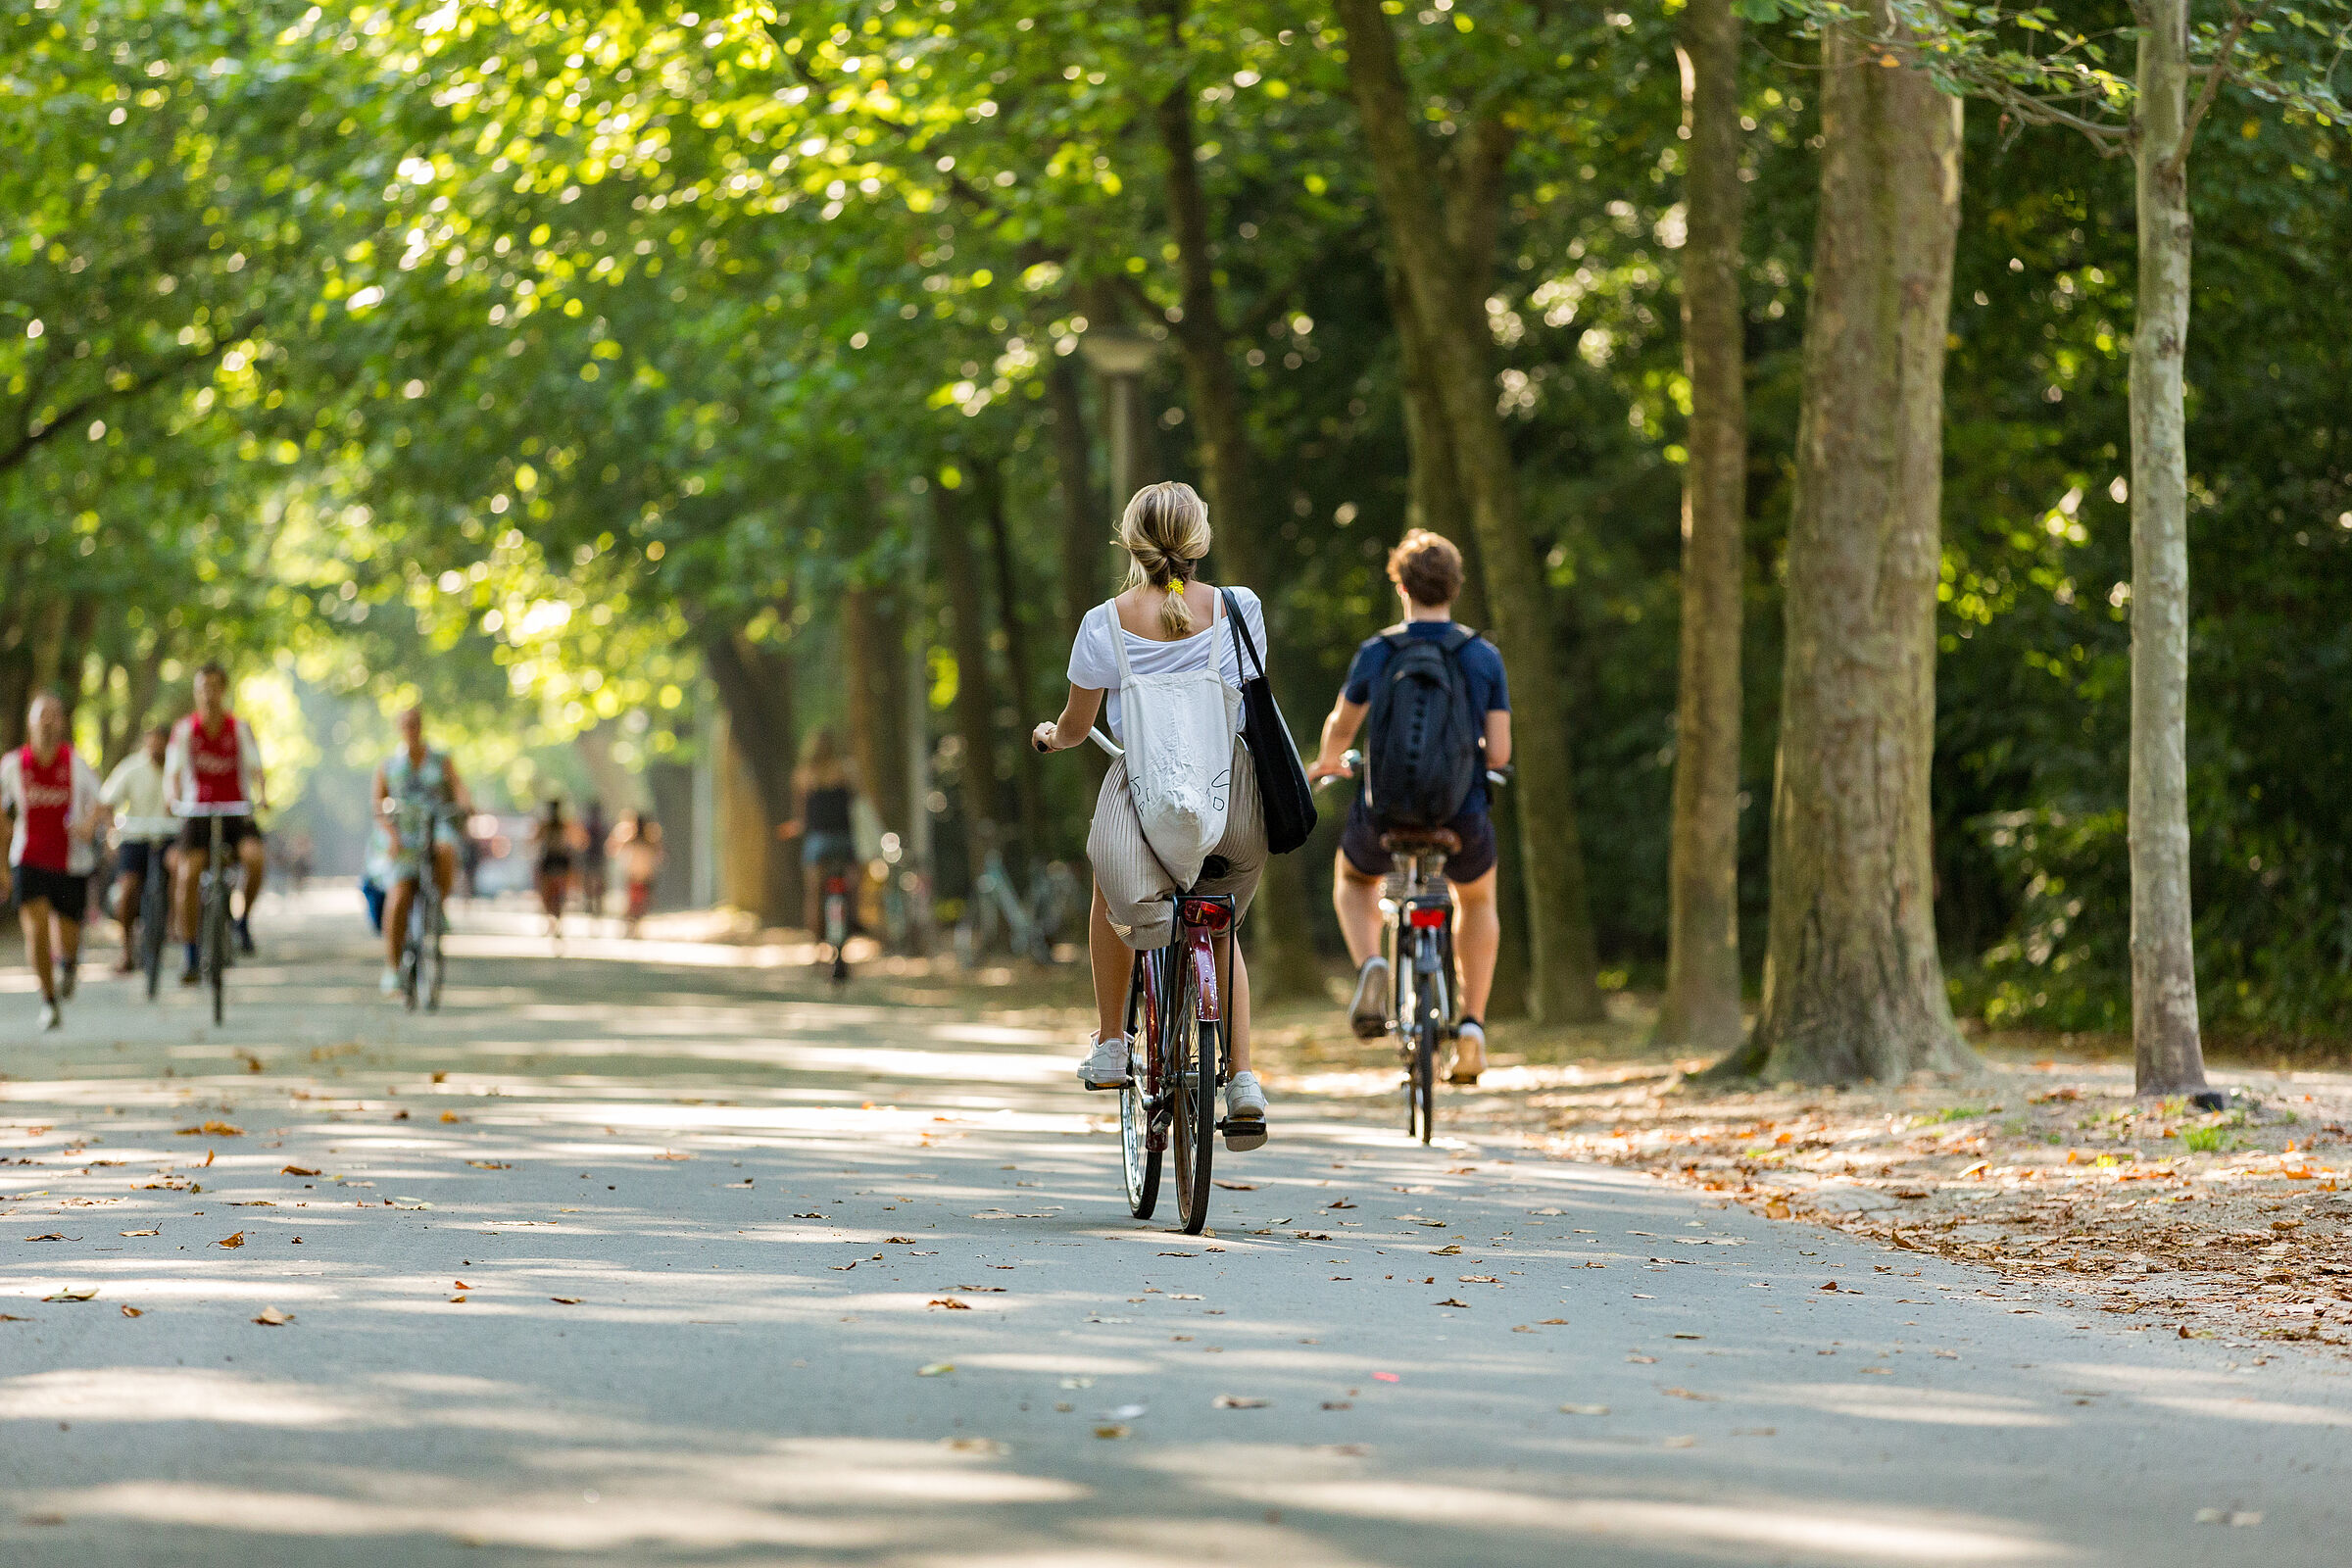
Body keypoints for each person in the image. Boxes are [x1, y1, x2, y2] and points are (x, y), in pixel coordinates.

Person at [1032, 479, 1270, 1150]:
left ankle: (1113, 1042)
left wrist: (1052, 735)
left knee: (1111, 881)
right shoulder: (1241, 609)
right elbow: (1245, 702)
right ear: (1201, 540)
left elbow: (1078, 728)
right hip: (1231, 805)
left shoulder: (1103, 623)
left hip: (1148, 797)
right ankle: (1244, 1078)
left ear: (1129, 541)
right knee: (1217, 919)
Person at [1306, 528, 1512, 1084]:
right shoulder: (1482, 656)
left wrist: (1329, 763)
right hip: (1460, 815)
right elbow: (1499, 751)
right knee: (1477, 896)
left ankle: (1372, 963)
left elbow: (1342, 726)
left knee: (1354, 881)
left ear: (1401, 586)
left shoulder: (1379, 651)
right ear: (1455, 587)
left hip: (1386, 813)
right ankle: (1471, 1026)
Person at [1, 693, 108, 1030]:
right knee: (36, 935)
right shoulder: (14, 765)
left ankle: (71, 965)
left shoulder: (74, 763)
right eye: (41, 715)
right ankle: (48, 1002)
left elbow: (102, 803)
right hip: (28, 858)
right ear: (30, 722)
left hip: (70, 862)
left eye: (53, 715)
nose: (47, 721)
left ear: (62, 722)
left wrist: (89, 825)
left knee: (68, 935)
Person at [165, 662, 268, 984]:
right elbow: (173, 774)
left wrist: (262, 795)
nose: (207, 694)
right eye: (201, 688)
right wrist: (172, 799)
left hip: (236, 810)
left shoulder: (238, 728)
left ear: (223, 691)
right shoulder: (184, 730)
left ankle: (242, 921)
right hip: (198, 813)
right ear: (195, 693)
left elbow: (256, 768)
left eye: (213, 687)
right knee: (187, 877)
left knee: (255, 859)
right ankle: (191, 951)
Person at [369, 707, 471, 996]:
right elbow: (378, 808)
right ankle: (392, 968)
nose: (411, 729)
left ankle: (438, 904)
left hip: (436, 822)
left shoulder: (440, 760)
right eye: (405, 725)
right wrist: (391, 835)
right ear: (398, 728)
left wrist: (466, 806)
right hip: (402, 832)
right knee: (399, 895)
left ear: (422, 726)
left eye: (415, 724)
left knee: (446, 847)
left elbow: (459, 788)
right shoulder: (388, 765)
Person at [100, 725, 172, 974]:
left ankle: (178, 935)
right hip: (135, 837)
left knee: (179, 876)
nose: (156, 747)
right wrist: (111, 831)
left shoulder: (179, 767)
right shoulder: (131, 768)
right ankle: (127, 951)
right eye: (153, 742)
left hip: (169, 837)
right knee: (127, 891)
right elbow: (107, 802)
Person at [777, 728, 858, 935]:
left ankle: (815, 938)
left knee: (813, 893)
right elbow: (859, 798)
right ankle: (853, 920)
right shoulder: (846, 768)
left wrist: (796, 827)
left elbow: (800, 816)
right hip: (844, 838)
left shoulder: (803, 774)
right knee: (853, 883)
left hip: (818, 840)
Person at [610, 809, 664, 937]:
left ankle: (633, 923)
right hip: (641, 874)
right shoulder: (647, 838)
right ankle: (633, 923)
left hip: (637, 874)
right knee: (638, 902)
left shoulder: (644, 838)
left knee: (637, 901)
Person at [532, 797, 570, 938]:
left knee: (545, 893)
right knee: (561, 894)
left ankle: (550, 920)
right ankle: (557, 920)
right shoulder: (564, 824)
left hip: (550, 860)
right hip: (561, 861)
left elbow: (533, 840)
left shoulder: (546, 825)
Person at [579, 799, 610, 921]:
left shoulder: (586, 826)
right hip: (598, 859)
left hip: (590, 859)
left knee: (589, 881)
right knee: (599, 882)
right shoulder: (604, 826)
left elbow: (581, 843)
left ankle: (590, 903)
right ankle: (597, 904)